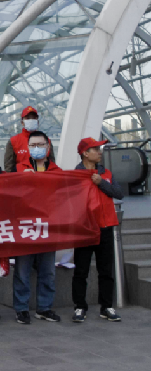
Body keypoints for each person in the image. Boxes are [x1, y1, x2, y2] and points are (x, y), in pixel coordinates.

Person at [72, 138, 123, 323]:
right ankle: (79, 307)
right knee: (81, 271)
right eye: (95, 149)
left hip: (106, 226)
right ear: (85, 153)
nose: (99, 152)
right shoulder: (75, 175)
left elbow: (118, 193)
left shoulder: (106, 173)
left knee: (106, 270)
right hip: (84, 228)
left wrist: (101, 182)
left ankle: (107, 306)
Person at [13, 131, 62, 324]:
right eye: (32, 145)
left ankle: (44, 307)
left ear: (48, 147)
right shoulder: (18, 170)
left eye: (40, 145)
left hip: (48, 228)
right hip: (25, 228)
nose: (36, 148)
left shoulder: (57, 171)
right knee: (22, 271)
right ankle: (21, 308)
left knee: (48, 270)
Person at [4, 106, 55, 172]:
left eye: (34, 118)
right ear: (22, 122)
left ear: (38, 122)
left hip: (43, 179)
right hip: (22, 179)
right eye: (27, 118)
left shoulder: (47, 141)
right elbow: (9, 168)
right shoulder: (13, 141)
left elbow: (52, 164)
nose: (31, 120)